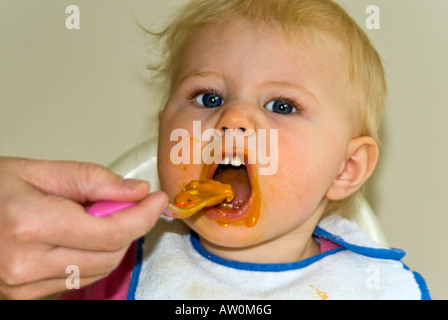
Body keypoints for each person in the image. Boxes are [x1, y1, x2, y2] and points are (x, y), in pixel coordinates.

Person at [1, 0, 430, 300]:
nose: (233, 119)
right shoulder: (117, 273)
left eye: (282, 106)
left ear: (345, 169)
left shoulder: (376, 287)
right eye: (209, 98)